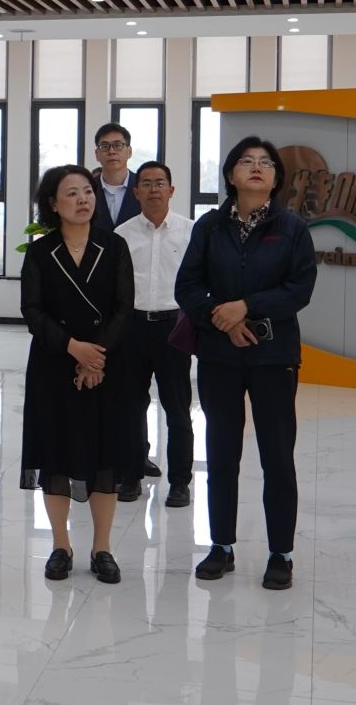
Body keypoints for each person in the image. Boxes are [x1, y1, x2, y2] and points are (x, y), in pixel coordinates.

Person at [178, 137, 316, 591]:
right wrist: (223, 318)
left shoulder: (293, 228)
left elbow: (299, 289)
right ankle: (221, 545)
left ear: (276, 179)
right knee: (221, 453)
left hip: (274, 355)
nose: (257, 167)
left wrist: (247, 308)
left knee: (277, 454)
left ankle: (281, 553)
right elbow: (187, 286)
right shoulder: (209, 226)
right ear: (231, 175)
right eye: (246, 161)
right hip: (219, 353)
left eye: (266, 163)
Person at [20, 165, 137, 584]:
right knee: (55, 455)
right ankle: (60, 546)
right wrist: (73, 348)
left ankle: (102, 548)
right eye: (71, 193)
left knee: (104, 457)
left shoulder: (114, 245)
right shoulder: (40, 252)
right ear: (53, 204)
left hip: (107, 365)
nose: (83, 199)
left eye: (87, 191)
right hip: (54, 364)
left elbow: (124, 307)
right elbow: (32, 311)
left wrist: (95, 357)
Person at [112, 160, 195, 507]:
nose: (153, 189)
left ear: (171, 190)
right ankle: (130, 477)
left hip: (173, 328)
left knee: (177, 409)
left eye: (160, 183)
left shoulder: (190, 231)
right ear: (136, 192)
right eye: (146, 183)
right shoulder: (122, 234)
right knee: (131, 407)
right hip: (132, 327)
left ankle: (180, 483)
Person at [90, 123, 141, 231]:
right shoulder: (88, 188)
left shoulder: (143, 186)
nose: (111, 151)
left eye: (117, 145)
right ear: (97, 154)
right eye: (105, 146)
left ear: (129, 152)